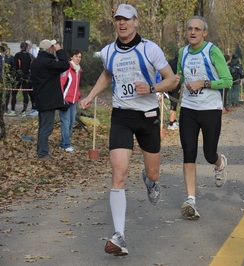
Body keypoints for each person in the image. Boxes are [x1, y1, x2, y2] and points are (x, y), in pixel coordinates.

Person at [79, 4, 178, 256]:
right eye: (118, 20)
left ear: (136, 22)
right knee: (119, 173)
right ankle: (119, 236)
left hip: (148, 117)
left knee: (153, 173)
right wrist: (90, 95)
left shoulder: (149, 49)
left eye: (126, 19)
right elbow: (107, 75)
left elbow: (172, 79)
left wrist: (153, 87)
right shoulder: (108, 51)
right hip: (121, 116)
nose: (122, 24)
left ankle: (150, 181)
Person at [177, 15, 232, 220]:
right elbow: (180, 77)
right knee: (189, 153)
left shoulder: (212, 51)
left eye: (197, 29)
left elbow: (227, 81)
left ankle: (219, 162)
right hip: (189, 108)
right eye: (190, 28)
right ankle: (190, 199)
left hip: (210, 108)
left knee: (209, 154)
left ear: (204, 33)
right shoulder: (183, 52)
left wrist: (204, 83)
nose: (193, 32)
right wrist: (173, 80)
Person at [30, 39, 70, 159]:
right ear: (49, 49)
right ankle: (43, 153)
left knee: (43, 127)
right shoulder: (47, 63)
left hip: (42, 99)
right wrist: (60, 51)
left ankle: (42, 151)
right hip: (48, 100)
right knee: (46, 128)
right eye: (52, 48)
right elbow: (65, 65)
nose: (53, 49)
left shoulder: (37, 61)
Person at [59, 50, 83, 151]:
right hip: (65, 100)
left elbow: (76, 86)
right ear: (71, 57)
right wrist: (62, 99)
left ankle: (63, 142)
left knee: (72, 122)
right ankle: (66, 144)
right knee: (66, 122)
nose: (78, 58)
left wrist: (78, 95)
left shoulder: (78, 70)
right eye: (76, 56)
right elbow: (61, 83)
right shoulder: (67, 68)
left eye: (80, 57)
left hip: (74, 101)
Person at [6, 42, 33, 116]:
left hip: (18, 76)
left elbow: (15, 66)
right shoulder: (30, 56)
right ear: (27, 48)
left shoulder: (17, 55)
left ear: (20, 48)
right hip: (27, 76)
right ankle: (24, 111)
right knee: (25, 93)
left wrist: (13, 75)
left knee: (14, 93)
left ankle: (12, 110)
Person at [167, 51, 182, 130]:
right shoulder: (179, 64)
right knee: (174, 103)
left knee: (172, 102)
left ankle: (174, 120)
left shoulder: (169, 62)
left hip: (168, 85)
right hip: (175, 86)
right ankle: (171, 123)